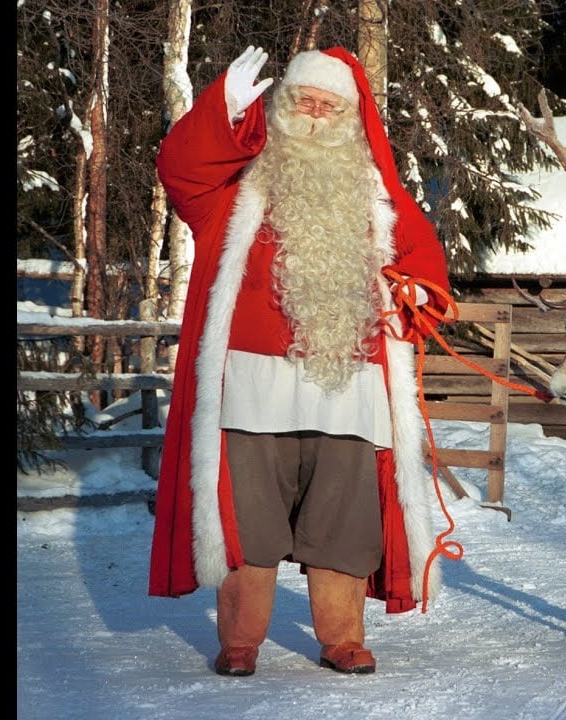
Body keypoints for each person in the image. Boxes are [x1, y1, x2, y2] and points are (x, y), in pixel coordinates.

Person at [148, 45, 452, 678]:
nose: (314, 115)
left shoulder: (378, 200)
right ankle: (240, 642)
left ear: (351, 119)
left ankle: (342, 638)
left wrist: (419, 291)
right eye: (303, 101)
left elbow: (423, 257)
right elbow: (180, 170)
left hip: (348, 389)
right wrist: (223, 111)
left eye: (328, 106)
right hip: (252, 388)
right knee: (248, 521)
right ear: (281, 106)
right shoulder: (234, 192)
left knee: (343, 522)